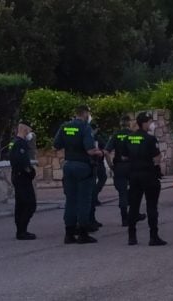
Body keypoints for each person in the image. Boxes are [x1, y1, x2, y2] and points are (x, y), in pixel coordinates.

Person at [54, 105, 103, 244]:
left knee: (70, 200)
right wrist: (100, 152)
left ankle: (69, 234)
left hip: (68, 166)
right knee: (84, 200)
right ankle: (83, 233)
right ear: (86, 113)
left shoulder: (64, 126)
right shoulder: (85, 127)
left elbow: (56, 145)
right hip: (83, 167)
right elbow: (90, 150)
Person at [123, 112, 166, 246]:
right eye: (149, 122)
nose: (151, 124)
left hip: (134, 175)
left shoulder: (129, 138)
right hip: (148, 174)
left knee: (134, 206)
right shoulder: (150, 139)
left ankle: (132, 237)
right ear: (145, 123)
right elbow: (158, 158)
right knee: (151, 206)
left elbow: (124, 156)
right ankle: (153, 237)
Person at [105, 115, 146, 227]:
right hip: (132, 166)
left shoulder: (115, 135)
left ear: (120, 123)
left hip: (119, 167)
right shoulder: (133, 135)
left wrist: (111, 165)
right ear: (129, 123)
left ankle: (124, 219)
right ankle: (135, 214)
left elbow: (106, 151)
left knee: (122, 192)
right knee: (135, 191)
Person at [9, 121, 37, 240]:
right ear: (25, 130)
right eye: (29, 130)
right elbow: (23, 162)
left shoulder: (14, 142)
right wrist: (30, 172)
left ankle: (21, 230)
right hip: (22, 177)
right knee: (30, 204)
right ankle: (22, 231)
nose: (30, 133)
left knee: (20, 205)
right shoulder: (21, 144)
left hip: (17, 176)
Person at [88, 123, 107, 232]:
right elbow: (103, 150)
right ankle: (89, 221)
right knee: (91, 192)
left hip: (91, 165)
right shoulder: (94, 137)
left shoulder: (89, 136)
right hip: (95, 164)